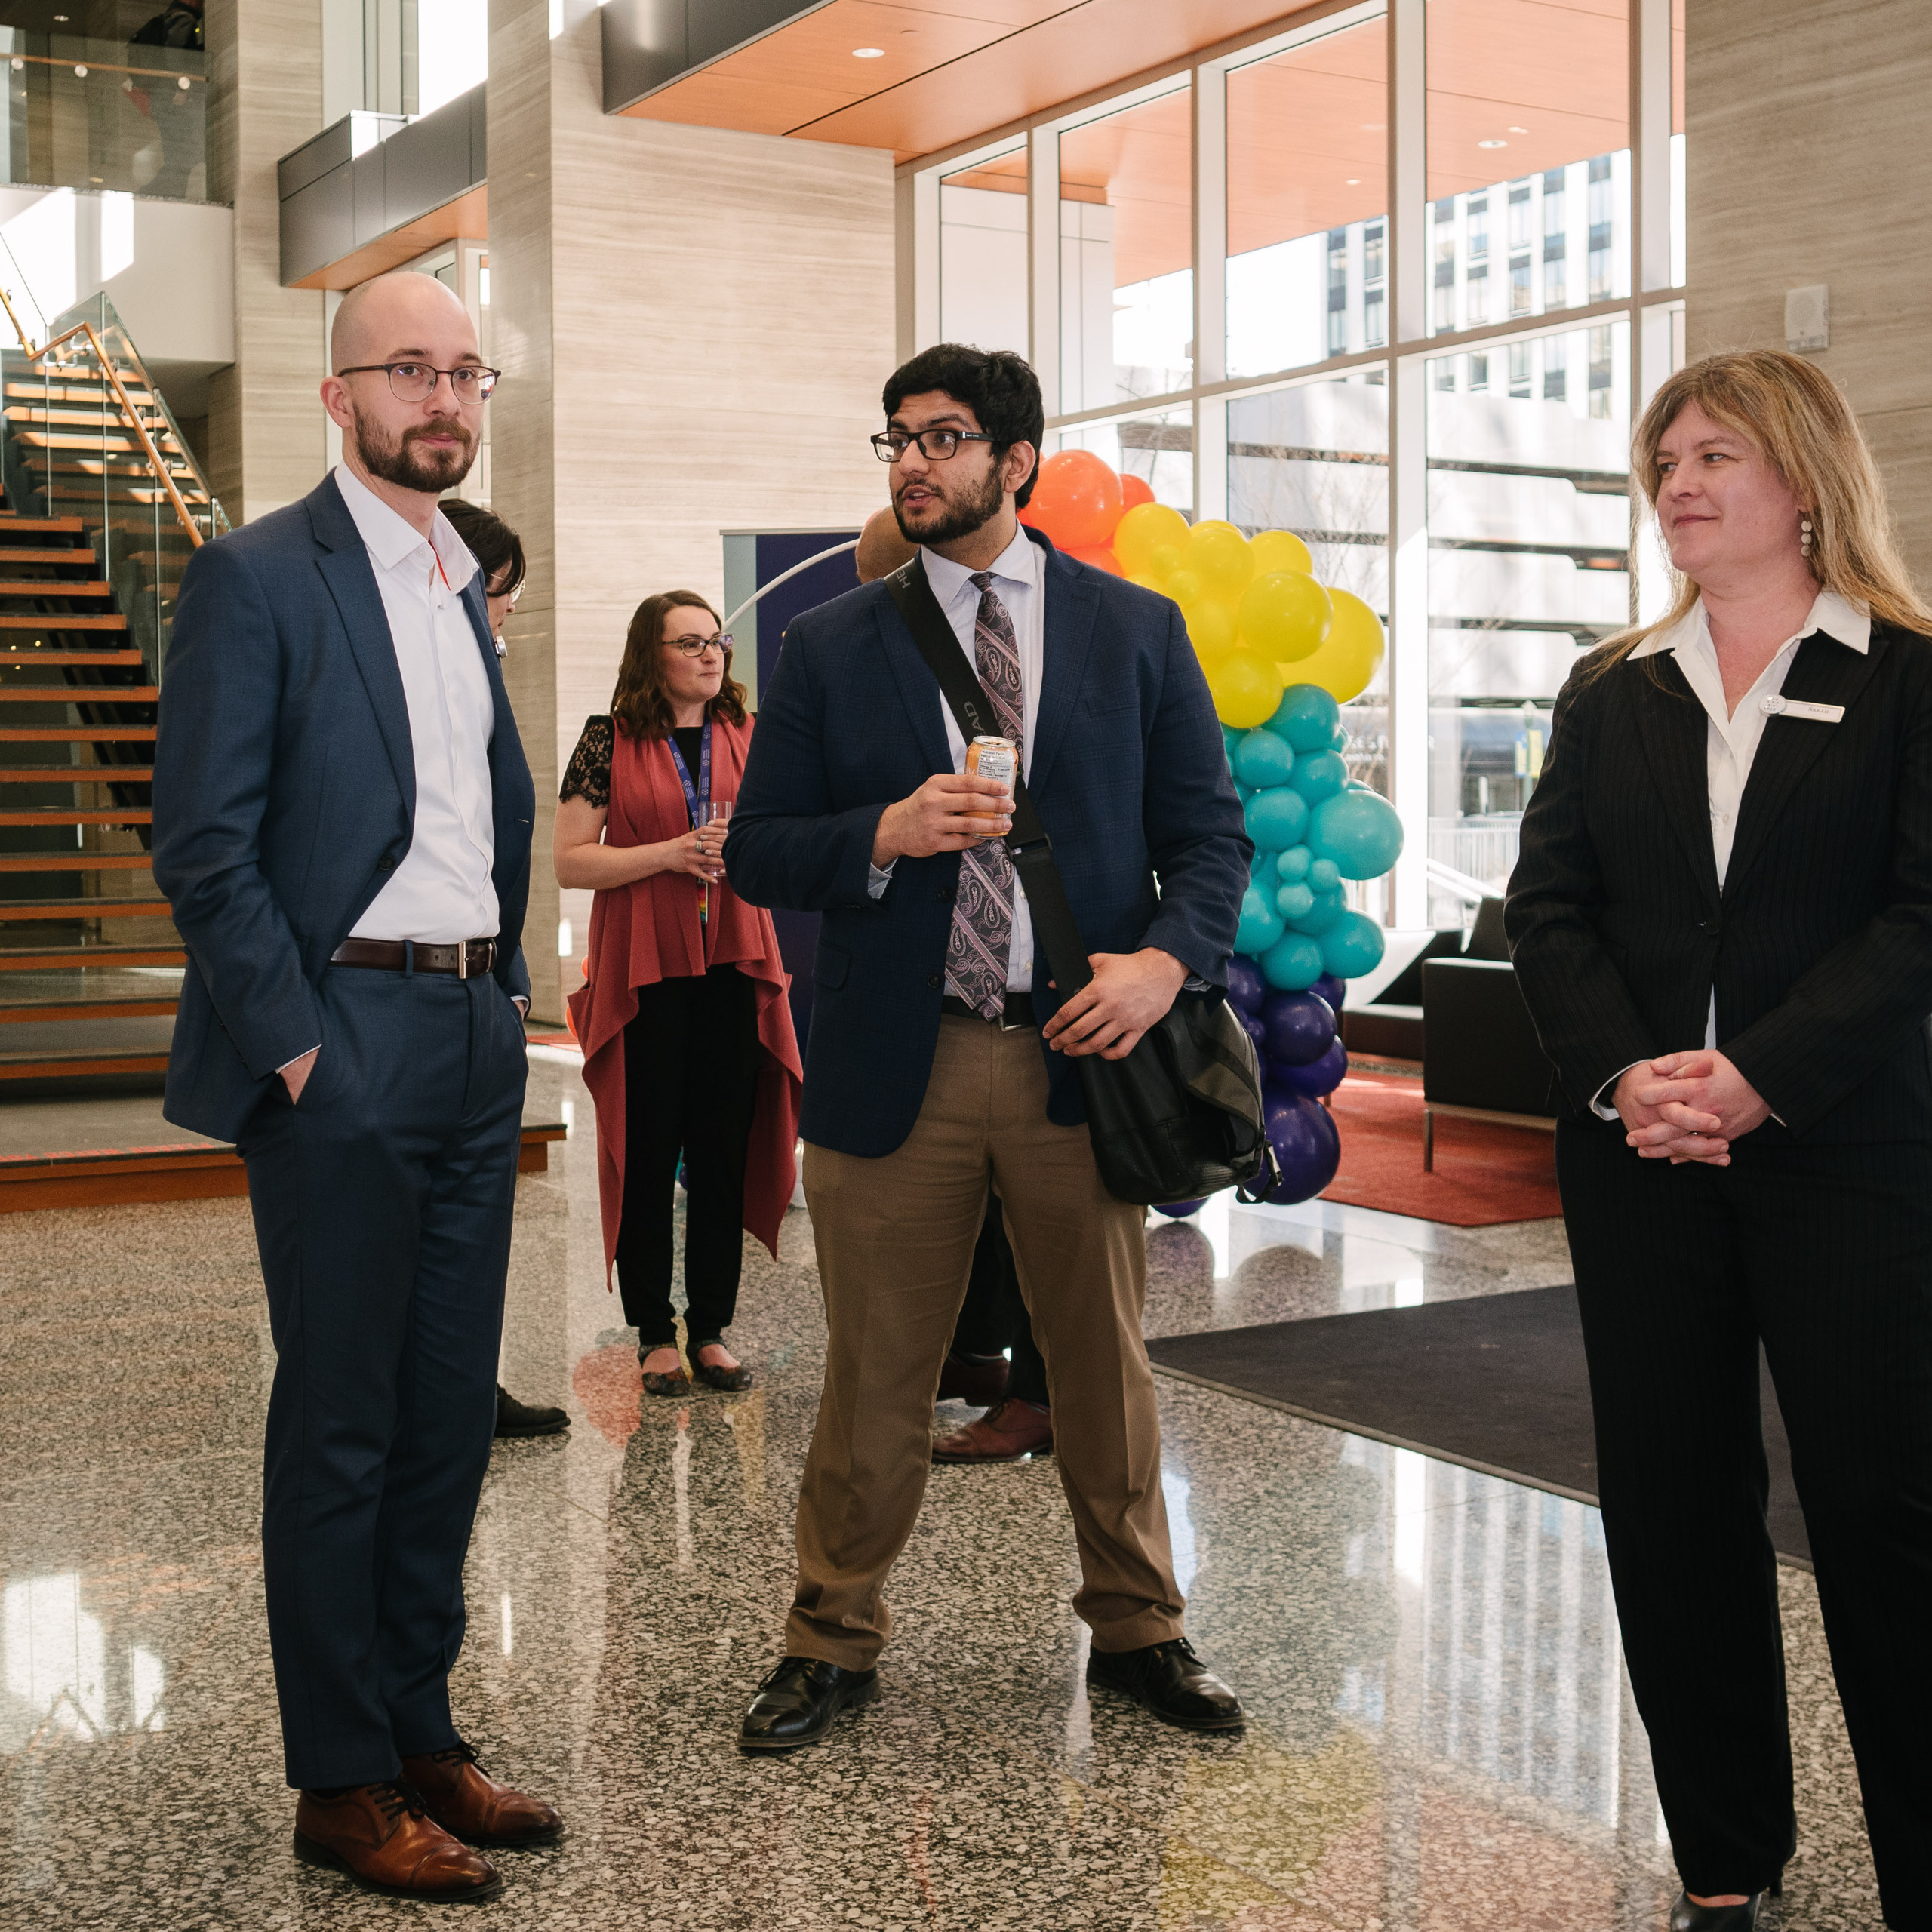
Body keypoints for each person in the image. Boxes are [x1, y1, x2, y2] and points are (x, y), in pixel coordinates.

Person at [725, 342, 1251, 1751]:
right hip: (901, 1062)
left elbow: (1211, 840)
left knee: (1103, 1365)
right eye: (897, 437)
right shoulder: (834, 644)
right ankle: (830, 1638)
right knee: (876, 1370)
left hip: (1084, 1051)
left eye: (945, 437)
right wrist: (882, 836)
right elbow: (762, 850)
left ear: (1017, 459)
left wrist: (1159, 965)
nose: (914, 461)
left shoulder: (1133, 632)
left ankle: (1142, 1627)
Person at [1506, 349, 1932, 1932]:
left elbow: (1917, 918)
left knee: (1883, 1510)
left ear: (1803, 478)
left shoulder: (1905, 673)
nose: (1677, 482)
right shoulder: (1611, 685)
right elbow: (1542, 910)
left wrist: (1757, 1072)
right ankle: (1721, 1854)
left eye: (1713, 455)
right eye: (1662, 458)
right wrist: (1628, 1077)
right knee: (1673, 1503)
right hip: (1639, 1162)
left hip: (1848, 1156)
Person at [152, 272, 560, 1906]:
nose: (443, 399)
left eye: (465, 371)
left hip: (468, 1035)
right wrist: (304, 1043)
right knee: (339, 1420)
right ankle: (337, 1775)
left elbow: (469, 818)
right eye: (410, 369)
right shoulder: (257, 577)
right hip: (346, 1037)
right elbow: (203, 842)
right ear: (339, 397)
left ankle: (415, 1724)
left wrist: (506, 995)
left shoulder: (462, 581)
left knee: (447, 1412)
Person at [556, 592, 802, 1399]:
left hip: (732, 962)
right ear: (650, 654)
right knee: (649, 1146)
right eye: (689, 642)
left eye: (717, 640)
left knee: (723, 1151)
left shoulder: (753, 737)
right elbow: (570, 861)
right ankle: (654, 1332)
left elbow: (784, 837)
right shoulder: (608, 738)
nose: (710, 655)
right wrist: (668, 853)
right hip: (646, 971)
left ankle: (713, 1328)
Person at [438, 498, 568, 1443]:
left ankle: (464, 1391)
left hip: (483, 985)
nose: (509, 608)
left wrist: (512, 969)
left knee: (475, 1237)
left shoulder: (482, 670)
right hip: (394, 995)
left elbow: (495, 840)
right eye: (500, 589)